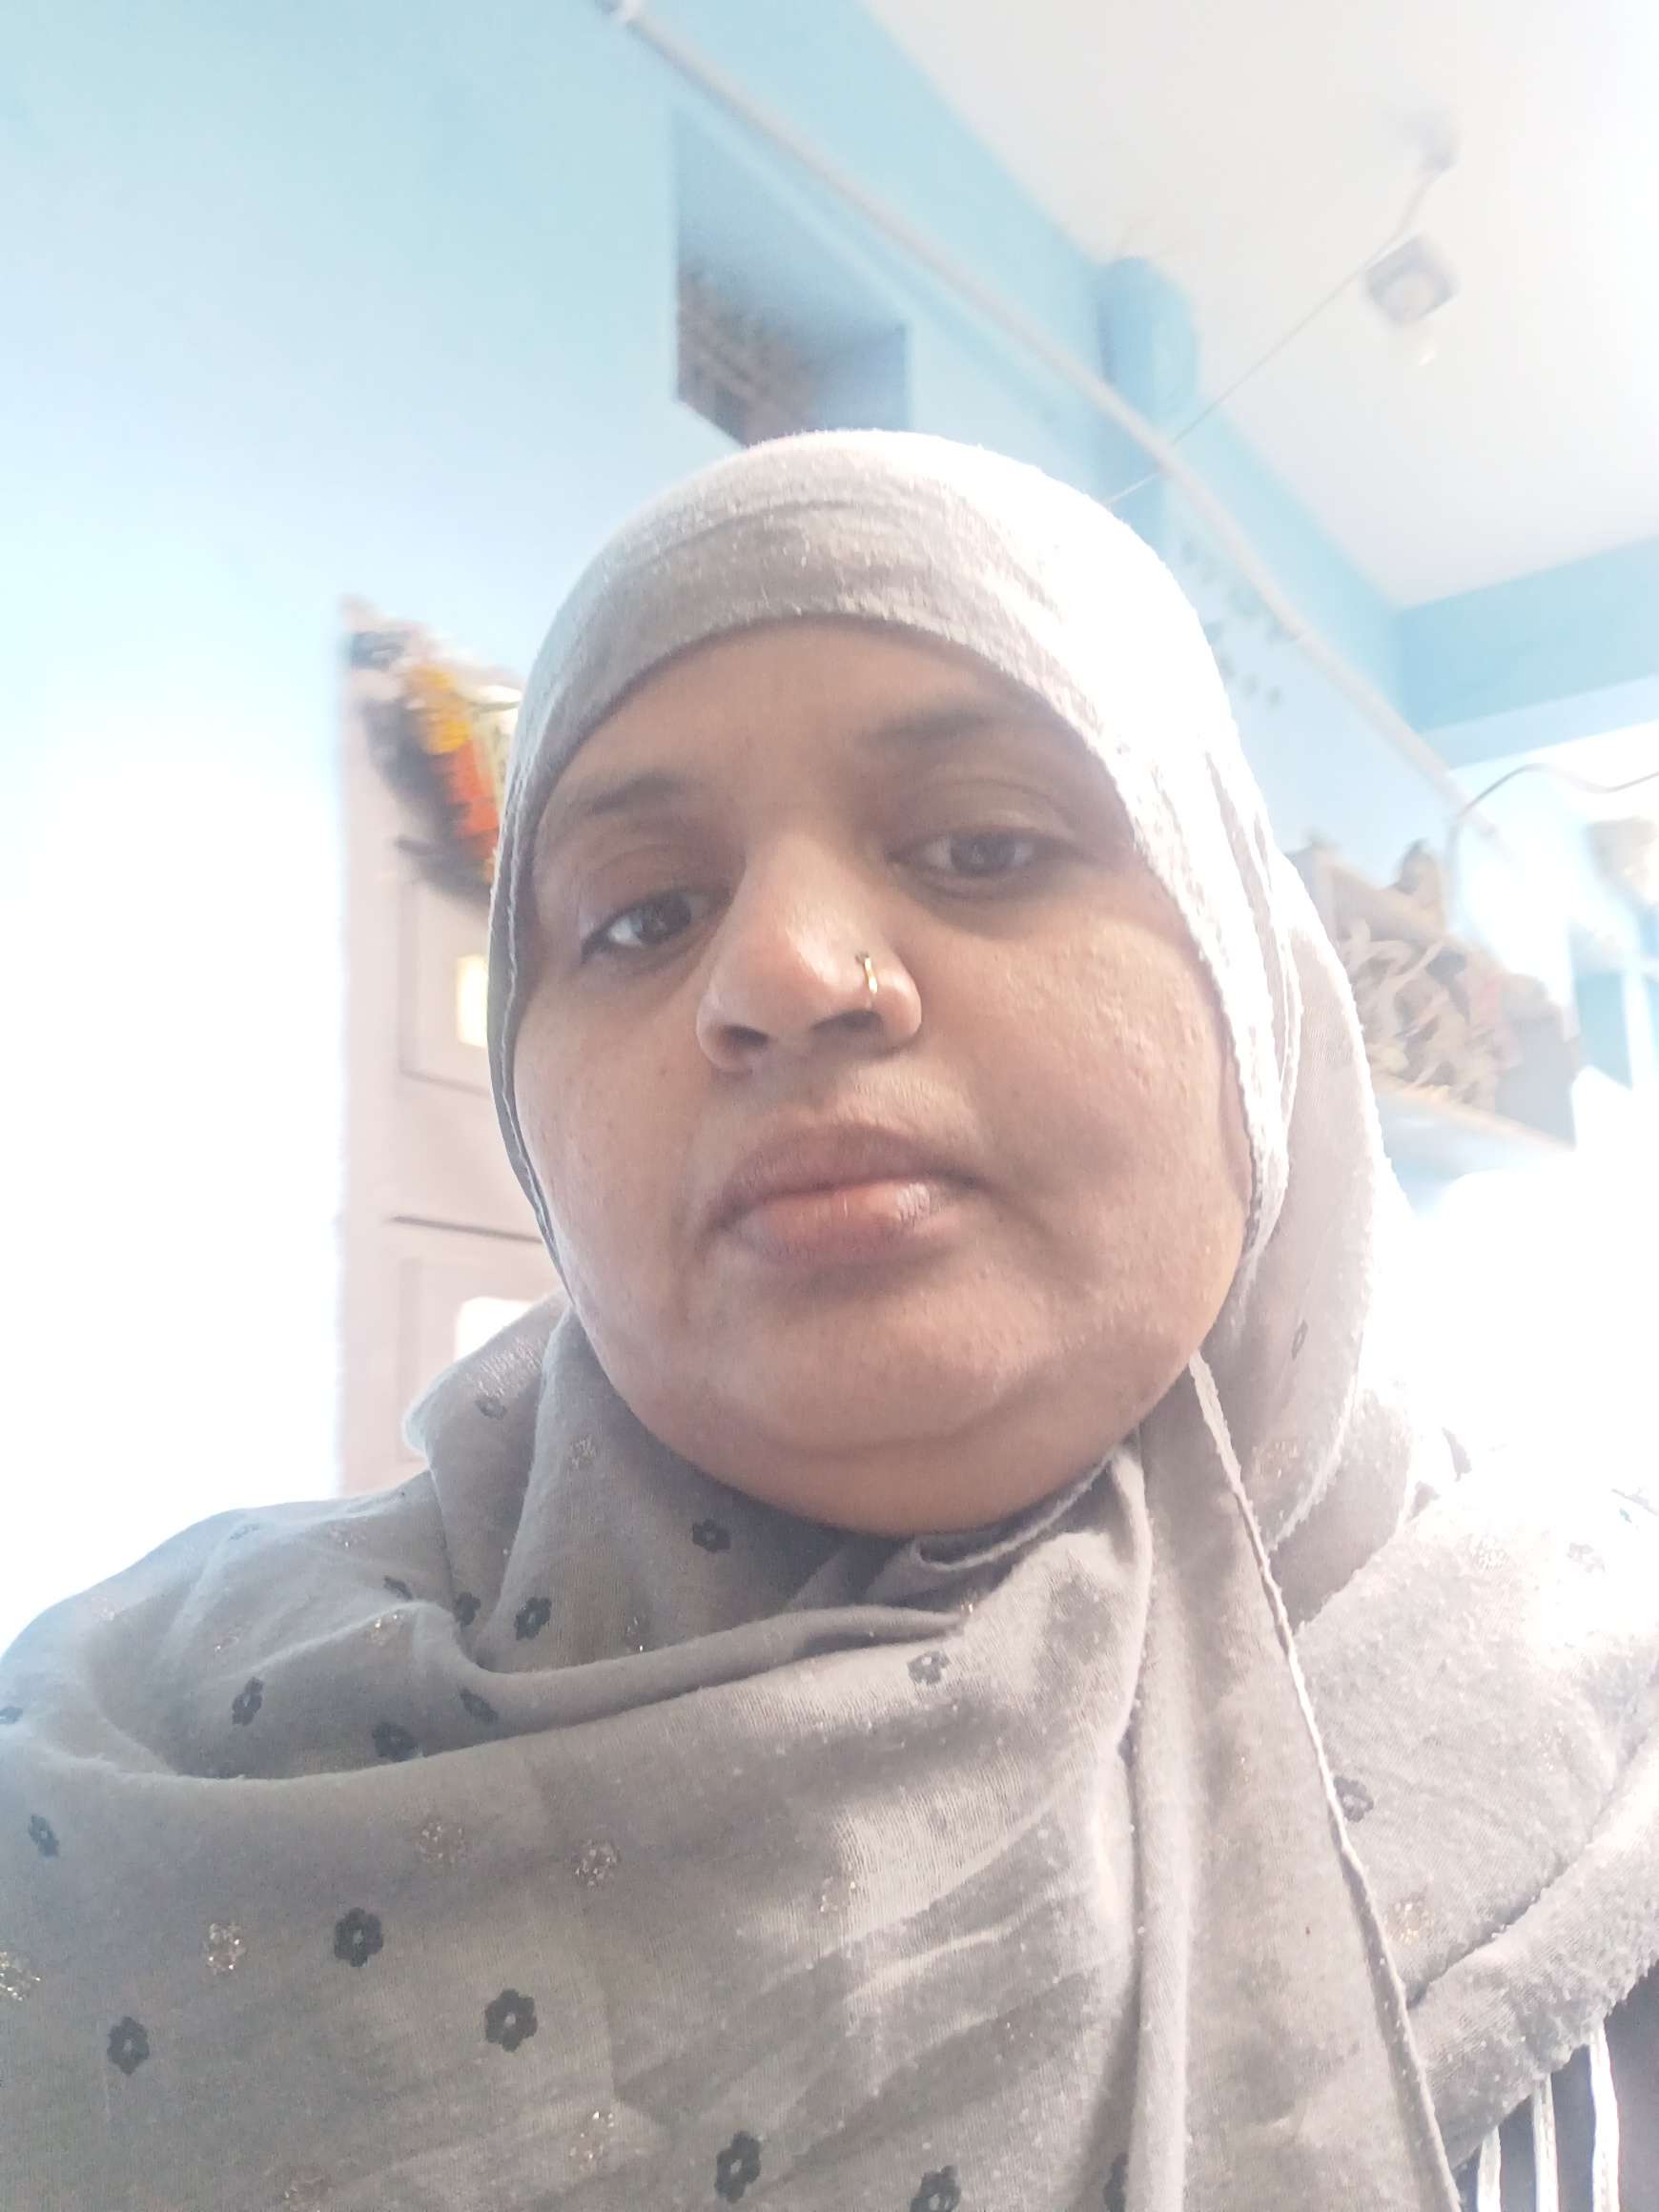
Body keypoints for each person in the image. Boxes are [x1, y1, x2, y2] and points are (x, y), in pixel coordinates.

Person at [2, 432, 1654, 2212]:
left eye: (983, 844)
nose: (783, 971)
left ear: (1250, 988)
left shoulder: (1602, 1745)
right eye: (642, 914)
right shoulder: (134, 1771)